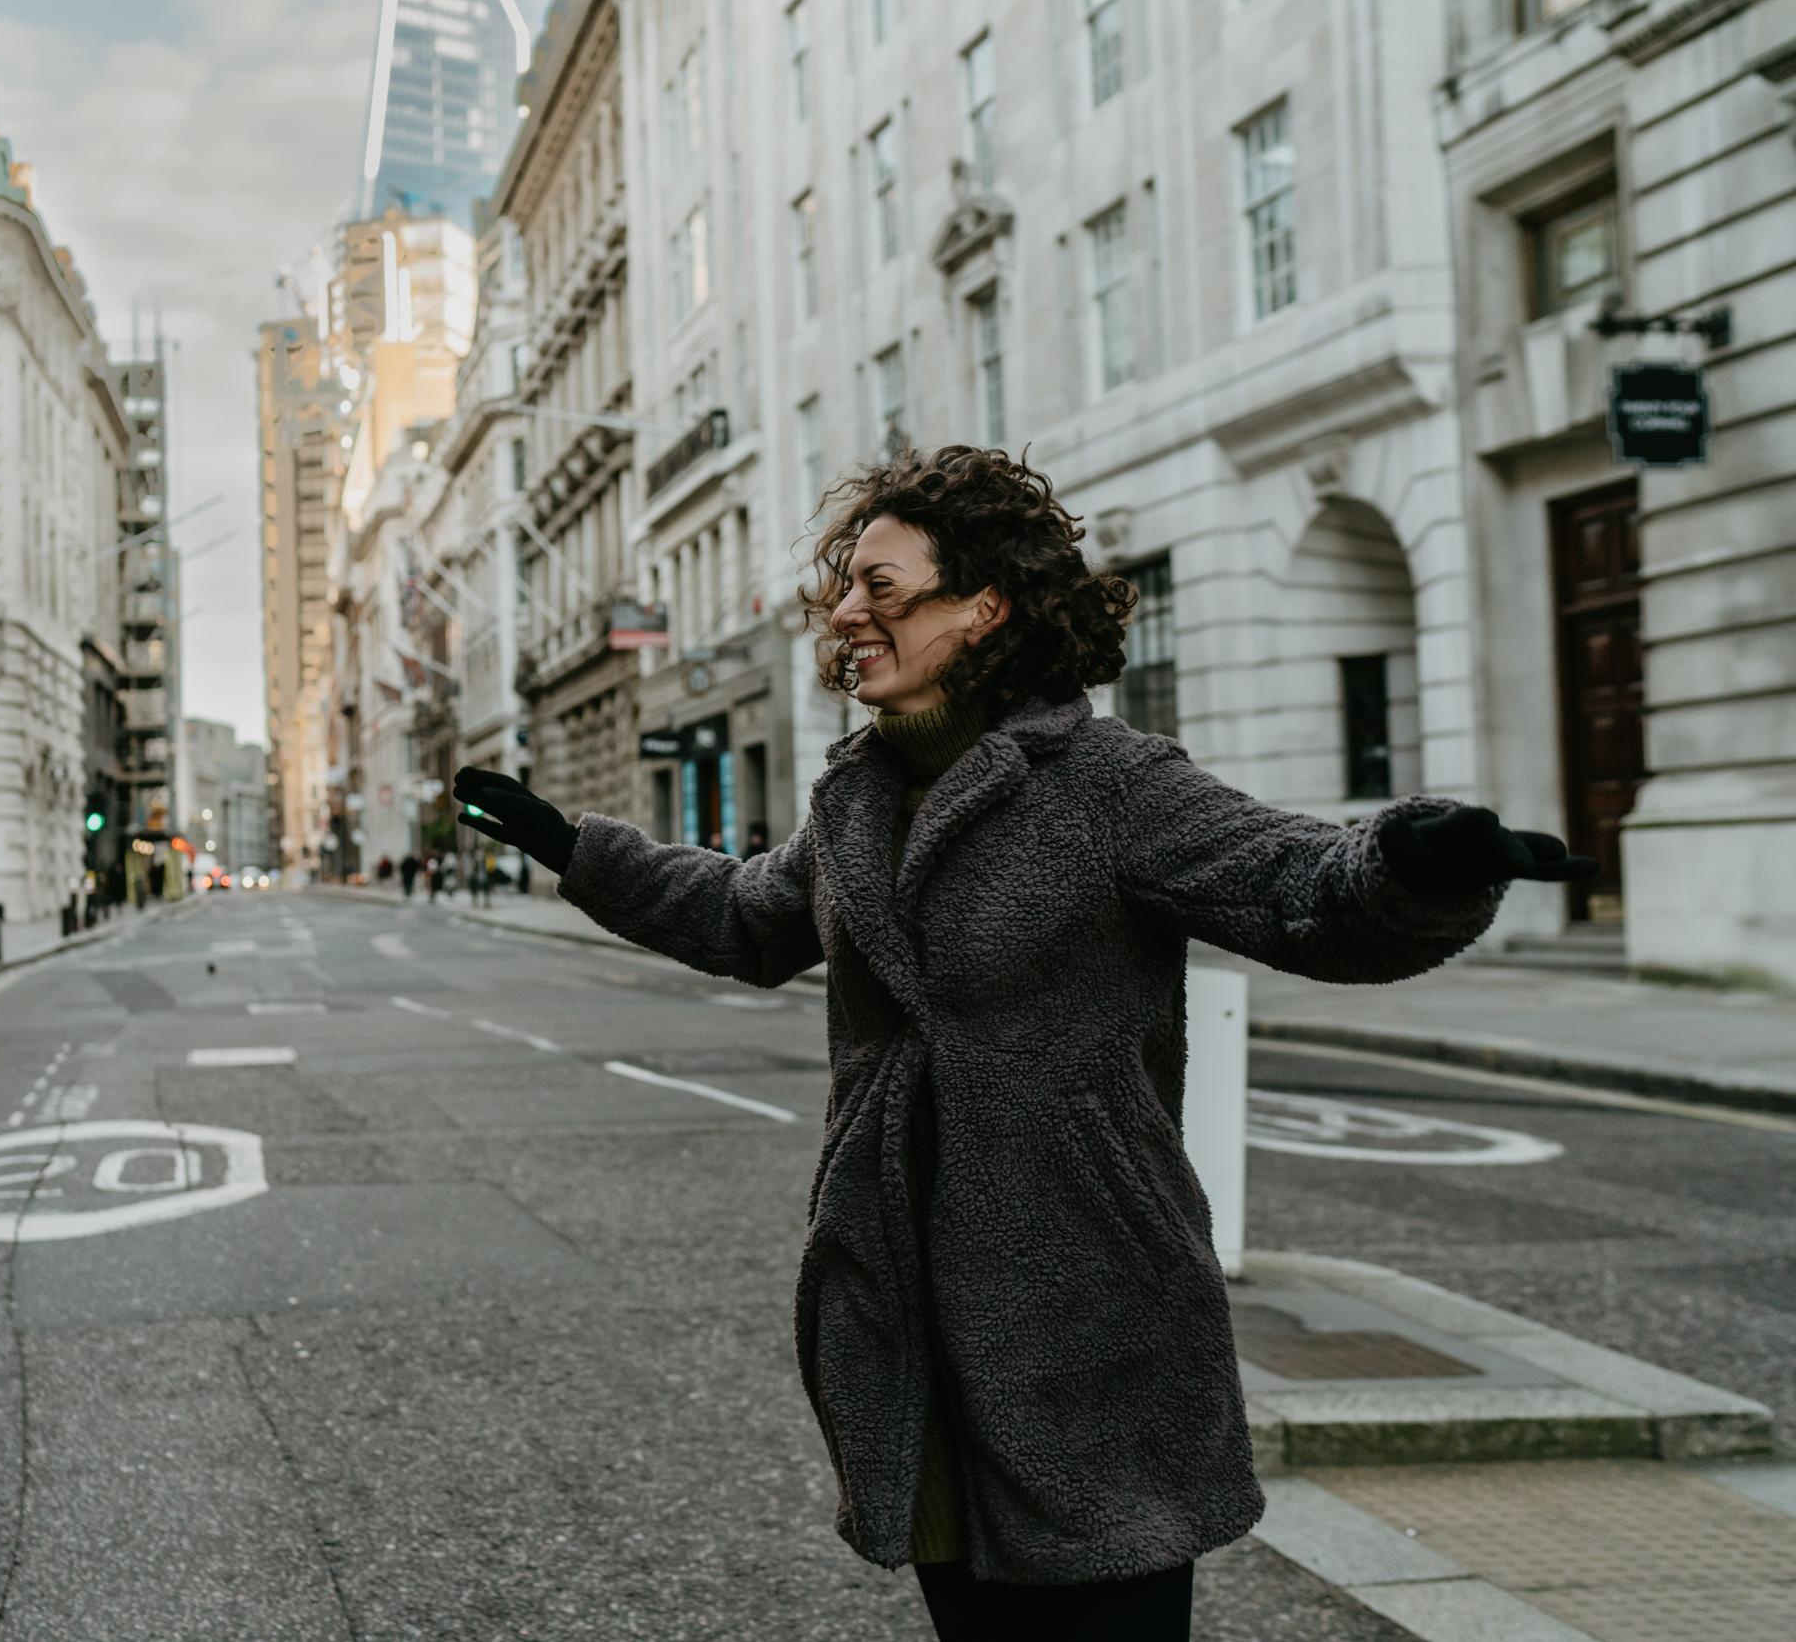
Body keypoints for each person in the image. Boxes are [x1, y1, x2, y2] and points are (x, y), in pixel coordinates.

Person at [456, 447, 1590, 1641]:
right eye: (844, 588)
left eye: (882, 588)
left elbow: (1297, 885)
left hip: (1087, 1312)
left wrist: (1411, 863)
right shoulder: (858, 798)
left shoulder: (1108, 784)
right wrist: (570, 846)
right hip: (907, 1313)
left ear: (985, 606)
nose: (847, 614)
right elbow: (745, 917)